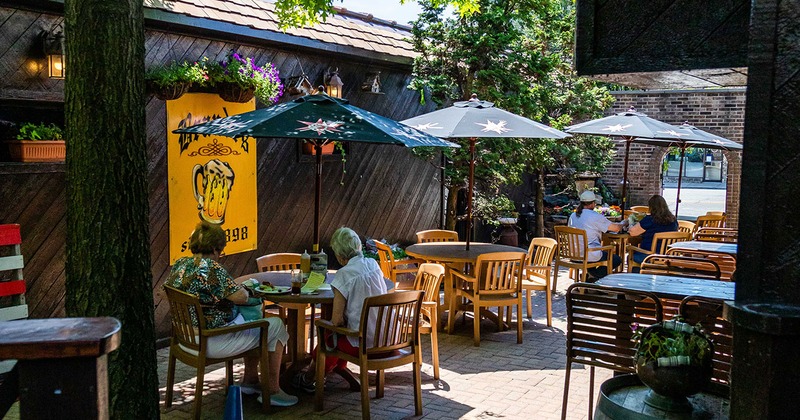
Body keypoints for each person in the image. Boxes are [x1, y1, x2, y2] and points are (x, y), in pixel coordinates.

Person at [166, 221, 298, 407]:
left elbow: (170, 293)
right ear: (213, 248)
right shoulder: (212, 269)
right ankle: (273, 391)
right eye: (220, 250)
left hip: (185, 340)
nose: (220, 255)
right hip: (211, 341)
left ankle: (250, 381)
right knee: (274, 324)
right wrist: (245, 289)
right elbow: (241, 297)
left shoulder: (180, 264)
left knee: (255, 322)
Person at [292, 227, 388, 393]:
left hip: (364, 344)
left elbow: (337, 321)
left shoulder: (344, 275)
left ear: (340, 256)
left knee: (327, 336)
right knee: (334, 336)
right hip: (386, 338)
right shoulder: (373, 265)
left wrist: (321, 324)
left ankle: (309, 379)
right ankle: (333, 369)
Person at [568, 190, 626, 280]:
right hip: (589, 253)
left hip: (574, 253)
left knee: (595, 255)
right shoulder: (594, 216)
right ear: (593, 203)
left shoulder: (573, 215)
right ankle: (594, 277)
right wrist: (624, 223)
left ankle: (590, 278)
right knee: (616, 259)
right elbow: (616, 228)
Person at [628, 195, 679, 271]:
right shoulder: (673, 221)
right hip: (668, 256)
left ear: (651, 207)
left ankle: (638, 278)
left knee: (631, 255)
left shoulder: (650, 220)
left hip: (650, 256)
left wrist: (630, 222)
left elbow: (632, 232)